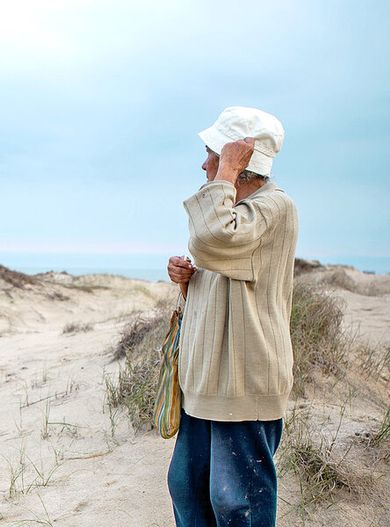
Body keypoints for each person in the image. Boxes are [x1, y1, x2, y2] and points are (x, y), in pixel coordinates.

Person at [165, 106, 299, 527]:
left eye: (214, 154)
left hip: (242, 385)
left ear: (242, 164)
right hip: (205, 383)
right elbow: (219, 259)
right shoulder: (233, 212)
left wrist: (226, 170)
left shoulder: (274, 207)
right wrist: (188, 281)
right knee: (187, 488)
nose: (205, 164)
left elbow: (213, 237)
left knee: (237, 503)